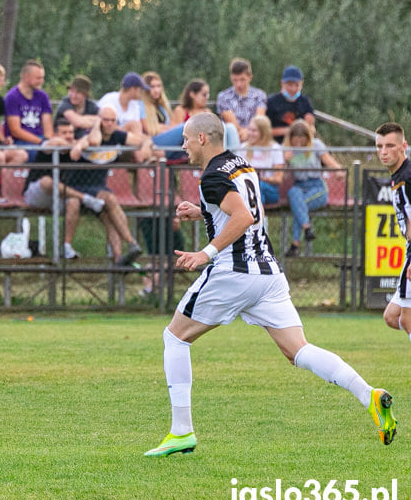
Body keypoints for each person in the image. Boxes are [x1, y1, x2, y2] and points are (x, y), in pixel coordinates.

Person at [144, 112, 396, 457]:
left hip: (234, 272)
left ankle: (181, 431)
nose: (183, 144)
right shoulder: (239, 164)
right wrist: (202, 210)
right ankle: (369, 395)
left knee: (174, 337)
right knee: (299, 351)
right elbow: (239, 205)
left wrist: (205, 253)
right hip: (268, 274)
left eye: (187, 138)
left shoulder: (211, 177)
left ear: (203, 138)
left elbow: (243, 216)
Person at [66, 114, 143, 266]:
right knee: (110, 199)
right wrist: (85, 139)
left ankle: (119, 258)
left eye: (113, 120)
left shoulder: (117, 136)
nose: (109, 123)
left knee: (109, 216)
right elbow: (88, 143)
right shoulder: (88, 134)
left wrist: (146, 144)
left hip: (98, 186)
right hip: (79, 186)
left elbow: (140, 141)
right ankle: (132, 242)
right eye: (106, 120)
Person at [22, 119, 106, 259]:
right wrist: (77, 145)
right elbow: (56, 143)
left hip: (61, 194)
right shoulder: (49, 144)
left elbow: (93, 140)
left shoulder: (74, 146)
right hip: (37, 193)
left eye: (71, 132)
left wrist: (95, 125)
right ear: (55, 133)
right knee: (47, 181)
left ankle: (67, 246)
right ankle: (85, 198)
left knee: (74, 202)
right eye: (64, 132)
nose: (68, 135)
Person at [283, 119, 341, 257]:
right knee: (293, 193)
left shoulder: (316, 145)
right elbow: (282, 174)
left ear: (307, 138)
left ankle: (296, 243)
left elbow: (331, 163)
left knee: (298, 206)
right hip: (299, 186)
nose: (298, 144)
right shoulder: (287, 149)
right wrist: (285, 160)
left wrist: (339, 171)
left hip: (316, 186)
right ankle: (306, 228)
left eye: (301, 140)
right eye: (295, 140)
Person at [377, 122, 411, 341]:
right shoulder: (398, 176)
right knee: (392, 316)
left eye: (390, 145)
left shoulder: (407, 178)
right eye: (379, 146)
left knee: (408, 319)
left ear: (403, 147)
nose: (383, 151)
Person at [4, 59, 53, 162]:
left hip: (40, 138)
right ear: (26, 77)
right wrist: (41, 142)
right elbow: (15, 131)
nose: (41, 81)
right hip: (20, 141)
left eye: (42, 78)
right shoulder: (12, 97)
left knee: (60, 149)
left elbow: (47, 124)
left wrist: (48, 141)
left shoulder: (42, 96)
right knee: (38, 154)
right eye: (38, 78)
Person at [215, 58, 268, 138]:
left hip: (255, 136)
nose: (238, 84)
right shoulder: (223, 96)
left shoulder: (260, 95)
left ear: (250, 77)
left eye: (242, 80)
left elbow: (259, 120)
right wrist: (245, 133)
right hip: (234, 137)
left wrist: (248, 132)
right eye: (235, 80)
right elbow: (233, 124)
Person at [266, 65, 316, 144]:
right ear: (282, 83)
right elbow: (264, 131)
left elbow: (311, 127)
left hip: (300, 143)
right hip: (277, 143)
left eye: (297, 85)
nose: (293, 89)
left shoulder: (304, 101)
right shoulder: (271, 102)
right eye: (290, 85)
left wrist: (309, 125)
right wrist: (289, 131)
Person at [242, 115, 284, 205]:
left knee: (258, 186)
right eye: (249, 129)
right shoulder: (243, 148)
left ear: (263, 132)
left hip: (270, 189)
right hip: (247, 188)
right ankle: (259, 216)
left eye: (254, 131)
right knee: (255, 191)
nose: (250, 133)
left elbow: (278, 178)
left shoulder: (275, 148)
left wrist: (260, 178)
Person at [54, 74, 99, 139]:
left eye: (78, 92)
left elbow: (104, 121)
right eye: (72, 91)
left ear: (85, 94)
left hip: (85, 142)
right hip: (63, 143)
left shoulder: (91, 106)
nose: (73, 95)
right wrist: (96, 121)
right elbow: (77, 122)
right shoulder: (65, 104)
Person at [141, 71, 172, 137]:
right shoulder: (141, 105)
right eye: (152, 87)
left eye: (158, 86)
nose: (156, 90)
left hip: (164, 136)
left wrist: (163, 127)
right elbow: (148, 129)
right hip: (152, 139)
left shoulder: (162, 106)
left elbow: (169, 125)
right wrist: (165, 128)